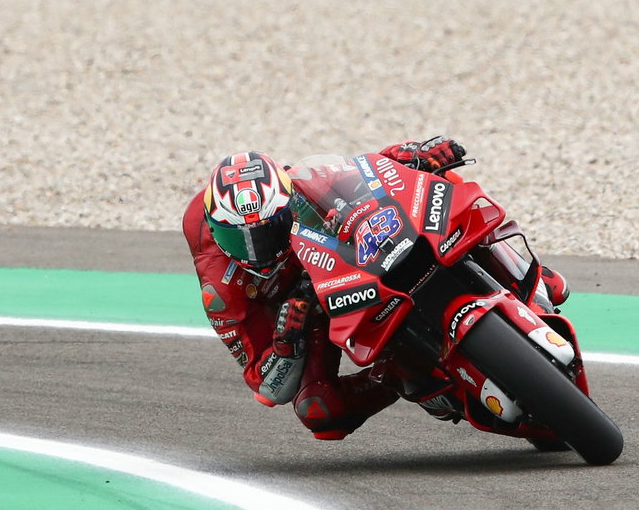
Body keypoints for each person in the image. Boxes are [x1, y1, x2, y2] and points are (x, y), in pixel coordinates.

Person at [182, 137, 568, 441]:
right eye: (240, 240)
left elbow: (367, 172)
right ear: (216, 230)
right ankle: (403, 373)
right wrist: (286, 342)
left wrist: (411, 155)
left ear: (287, 204)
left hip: (338, 261)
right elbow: (269, 387)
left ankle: (522, 272)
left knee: (440, 181)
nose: (258, 253)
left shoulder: (299, 185)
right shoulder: (220, 287)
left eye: (268, 233)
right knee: (319, 410)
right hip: (303, 307)